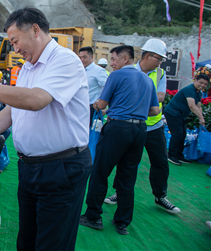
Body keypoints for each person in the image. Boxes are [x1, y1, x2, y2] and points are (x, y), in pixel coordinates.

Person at [0, 7, 92, 251]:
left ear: (35, 30)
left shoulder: (64, 60)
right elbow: (13, 108)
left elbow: (35, 100)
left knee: (52, 243)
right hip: (30, 167)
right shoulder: (29, 66)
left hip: (60, 167)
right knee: (27, 241)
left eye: (15, 41)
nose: (15, 48)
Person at [80, 45, 160, 235]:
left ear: (125, 59)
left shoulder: (116, 76)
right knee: (128, 176)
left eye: (114, 59)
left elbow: (101, 103)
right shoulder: (148, 80)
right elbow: (155, 110)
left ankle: (93, 216)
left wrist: (102, 106)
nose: (111, 63)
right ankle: (122, 222)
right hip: (140, 130)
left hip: (118, 128)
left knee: (100, 171)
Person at [104, 39, 180, 214]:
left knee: (160, 162)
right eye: (158, 58)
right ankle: (118, 192)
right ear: (147, 55)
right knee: (126, 162)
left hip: (154, 126)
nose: (160, 62)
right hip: (132, 126)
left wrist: (133, 102)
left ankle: (160, 196)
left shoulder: (160, 73)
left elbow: (160, 97)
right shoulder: (127, 71)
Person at [165, 73, 209, 165]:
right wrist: (200, 118)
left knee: (183, 134)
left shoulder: (199, 92)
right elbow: (192, 105)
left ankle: (179, 155)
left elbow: (198, 106)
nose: (202, 85)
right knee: (177, 134)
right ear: (195, 80)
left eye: (205, 84)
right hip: (172, 112)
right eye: (201, 82)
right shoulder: (190, 89)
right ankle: (171, 155)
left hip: (180, 115)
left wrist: (202, 118)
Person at [78, 46, 108, 126]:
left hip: (91, 109)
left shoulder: (98, 71)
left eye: (84, 57)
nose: (82, 60)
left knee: (90, 135)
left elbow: (107, 88)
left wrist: (103, 105)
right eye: (80, 57)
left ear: (91, 57)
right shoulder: (80, 70)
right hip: (79, 107)